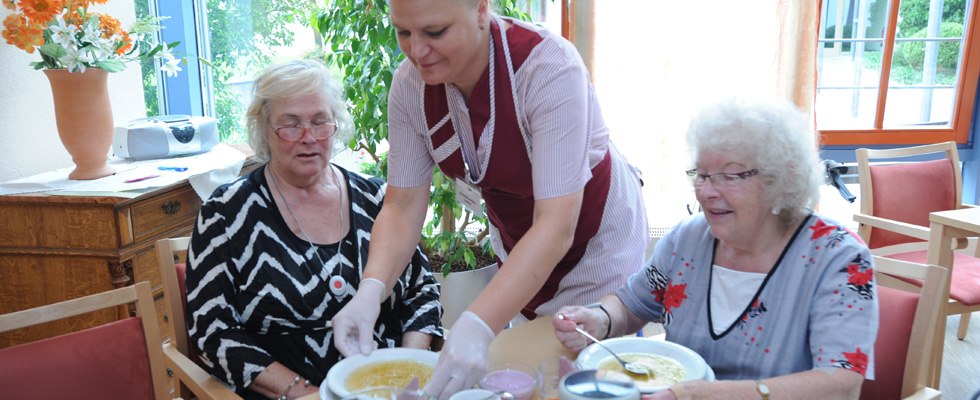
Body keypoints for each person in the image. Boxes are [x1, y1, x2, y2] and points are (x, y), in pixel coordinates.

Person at [330, 0, 649, 398]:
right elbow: (402, 205)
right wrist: (371, 289)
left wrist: (478, 322)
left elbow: (555, 225)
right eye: (403, 32)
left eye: (435, 32)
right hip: (521, 243)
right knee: (529, 368)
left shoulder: (547, 68)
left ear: (481, 9)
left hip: (595, 243)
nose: (416, 51)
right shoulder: (410, 86)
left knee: (586, 376)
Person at [553, 96, 878, 399]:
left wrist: (707, 395)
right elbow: (630, 305)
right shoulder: (688, 239)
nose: (706, 191)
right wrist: (598, 319)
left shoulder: (838, 256)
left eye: (730, 176)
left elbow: (841, 381)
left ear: (781, 180)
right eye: (702, 174)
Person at [184, 60, 443, 400]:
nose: (308, 138)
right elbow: (212, 331)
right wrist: (309, 394)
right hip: (288, 393)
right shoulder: (226, 213)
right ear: (264, 130)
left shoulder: (378, 200)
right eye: (290, 125)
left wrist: (409, 372)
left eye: (320, 122)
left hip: (390, 387)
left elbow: (422, 290)